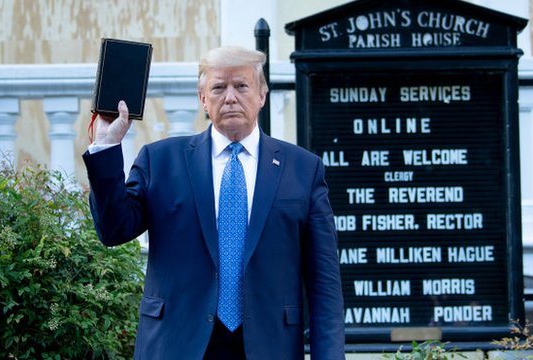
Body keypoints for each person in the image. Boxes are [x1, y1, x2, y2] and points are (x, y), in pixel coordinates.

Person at [83, 46, 345, 359]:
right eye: (218, 87)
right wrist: (106, 146)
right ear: (202, 98)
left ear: (262, 94)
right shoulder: (161, 161)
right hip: (177, 345)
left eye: (242, 86)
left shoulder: (303, 169)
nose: (230, 97)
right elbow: (113, 230)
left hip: (268, 346)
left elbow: (325, 286)